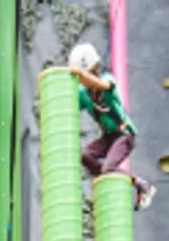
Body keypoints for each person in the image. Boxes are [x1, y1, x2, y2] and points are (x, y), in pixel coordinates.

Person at [65, 43, 154, 209]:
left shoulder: (107, 80)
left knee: (108, 168)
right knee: (85, 155)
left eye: (83, 76)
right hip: (108, 137)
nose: (81, 81)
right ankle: (108, 177)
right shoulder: (83, 94)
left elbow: (104, 86)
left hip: (123, 134)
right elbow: (69, 100)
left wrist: (82, 75)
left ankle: (140, 184)